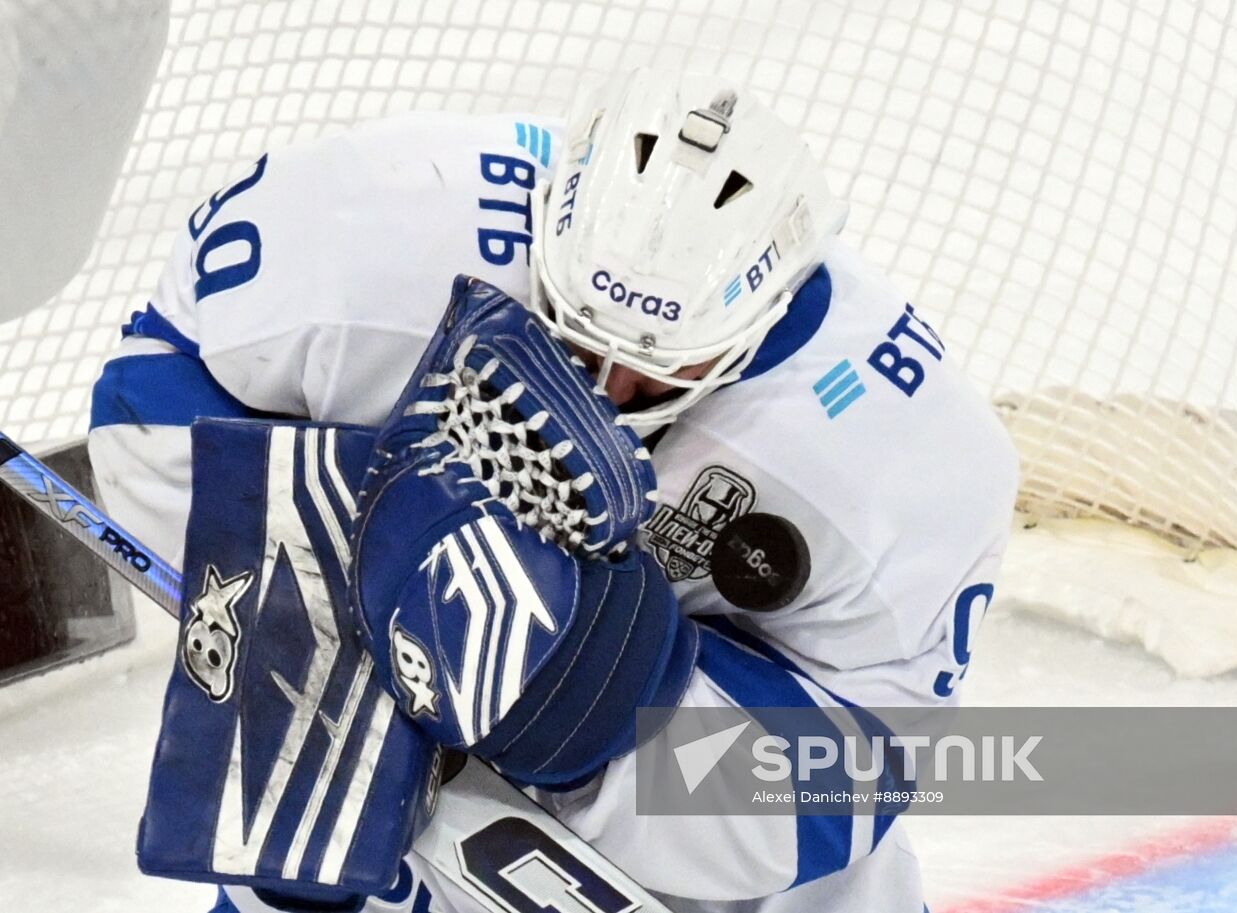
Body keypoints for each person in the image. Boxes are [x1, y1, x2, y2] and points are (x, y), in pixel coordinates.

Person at [89, 68, 1018, 913]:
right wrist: (325, 593)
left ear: (759, 326)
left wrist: (592, 706)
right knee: (309, 855)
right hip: (368, 664)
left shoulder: (906, 460)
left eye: (653, 375)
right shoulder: (374, 224)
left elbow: (844, 780)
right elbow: (154, 393)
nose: (603, 388)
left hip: (707, 706)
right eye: (573, 336)